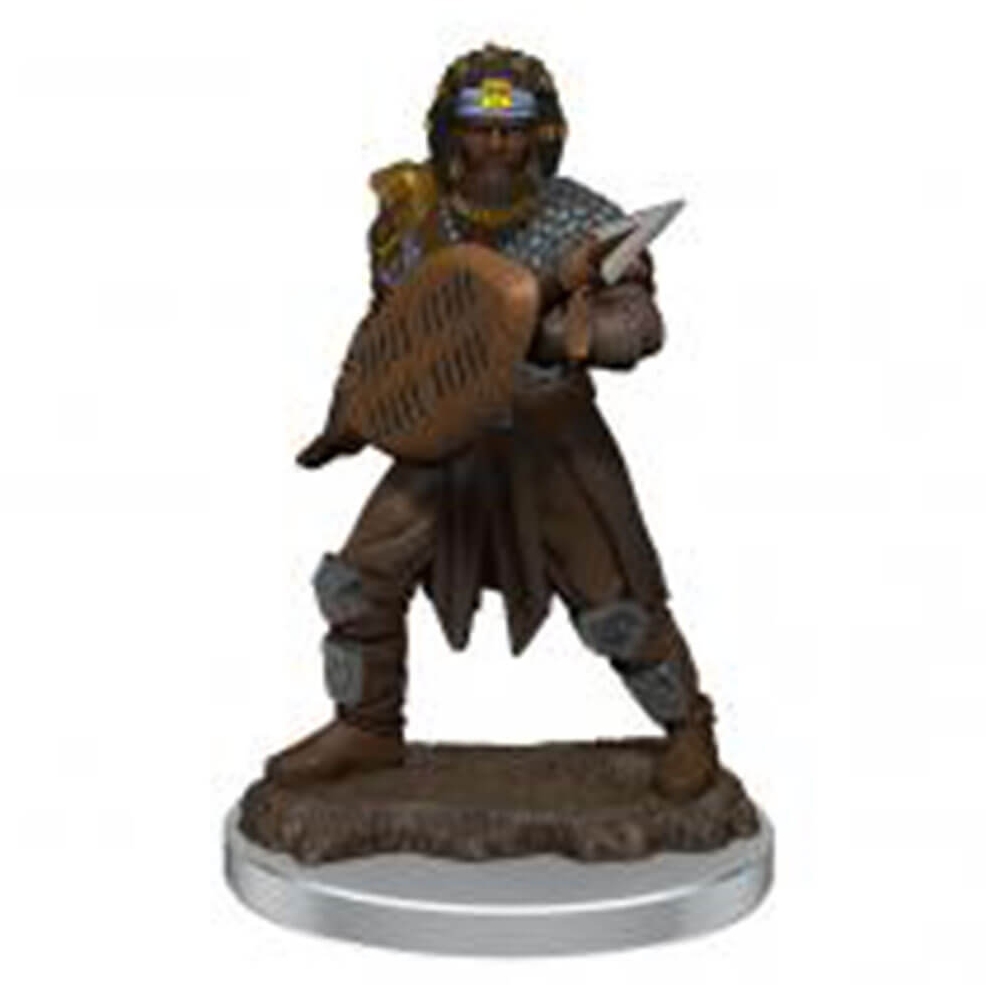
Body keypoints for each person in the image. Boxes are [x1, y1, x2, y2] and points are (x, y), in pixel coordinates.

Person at [268, 44, 719, 802]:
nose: (498, 145)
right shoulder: (416, 222)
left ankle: (689, 727)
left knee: (617, 605)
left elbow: (638, 325)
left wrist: (555, 336)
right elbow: (390, 329)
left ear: (541, 135)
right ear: (453, 132)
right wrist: (351, 413)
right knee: (357, 583)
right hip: (445, 441)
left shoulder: (584, 223)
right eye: (481, 128)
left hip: (550, 441)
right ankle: (367, 726)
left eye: (514, 130)